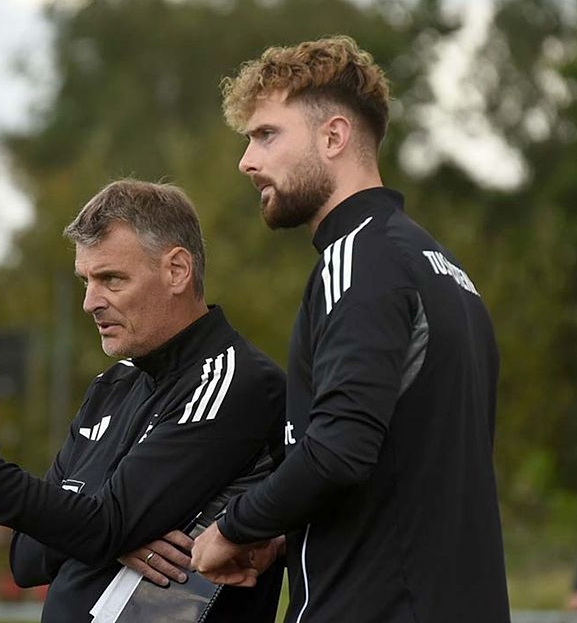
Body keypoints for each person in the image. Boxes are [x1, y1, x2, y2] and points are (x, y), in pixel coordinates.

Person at [191, 36, 511, 622]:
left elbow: (339, 451)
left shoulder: (358, 259)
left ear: (333, 137)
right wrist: (283, 533)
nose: (247, 161)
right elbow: (404, 469)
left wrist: (234, 526)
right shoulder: (444, 269)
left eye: (266, 135)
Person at [0, 179, 285, 622]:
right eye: (86, 280)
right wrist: (109, 537)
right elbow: (27, 557)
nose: (90, 302)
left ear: (177, 271)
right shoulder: (112, 386)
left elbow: (99, 526)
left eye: (111, 279)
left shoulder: (233, 380)